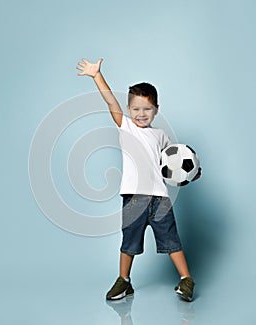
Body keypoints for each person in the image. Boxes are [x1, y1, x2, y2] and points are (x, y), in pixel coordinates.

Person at [76, 58, 201, 302]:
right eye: (136, 109)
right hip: (134, 198)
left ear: (156, 109)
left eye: (147, 109)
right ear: (129, 109)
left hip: (160, 199)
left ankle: (187, 279)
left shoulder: (161, 135)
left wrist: (193, 173)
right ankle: (124, 281)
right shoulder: (126, 127)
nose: (141, 114)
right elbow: (110, 100)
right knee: (129, 242)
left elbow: (173, 167)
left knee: (172, 240)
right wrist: (96, 75)